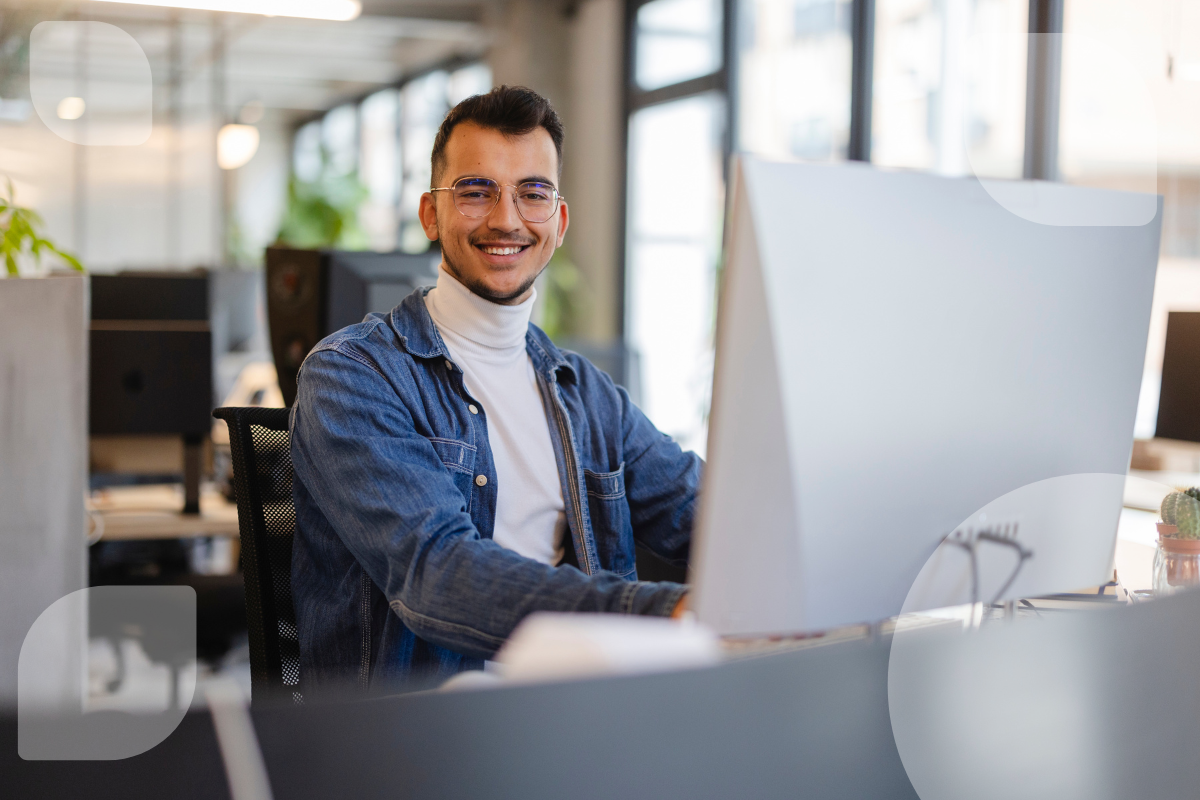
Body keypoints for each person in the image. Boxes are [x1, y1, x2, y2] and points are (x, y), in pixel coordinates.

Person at [290, 85, 702, 690]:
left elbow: (701, 514)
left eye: (532, 194)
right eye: (476, 192)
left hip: (579, 719)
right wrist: (663, 612)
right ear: (431, 214)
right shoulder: (353, 375)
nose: (506, 219)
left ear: (557, 223)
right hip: (420, 742)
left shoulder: (585, 394)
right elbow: (440, 573)